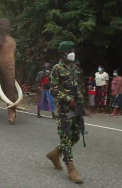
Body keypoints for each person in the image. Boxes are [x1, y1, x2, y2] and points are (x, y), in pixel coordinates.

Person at [46, 41, 84, 184]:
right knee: (66, 136)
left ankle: (55, 153)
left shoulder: (74, 68)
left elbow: (78, 88)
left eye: (74, 50)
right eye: (71, 50)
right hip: (64, 109)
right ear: (63, 53)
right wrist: (68, 99)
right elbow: (53, 90)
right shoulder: (57, 68)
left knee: (76, 136)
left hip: (76, 109)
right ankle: (71, 167)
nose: (73, 52)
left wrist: (80, 104)